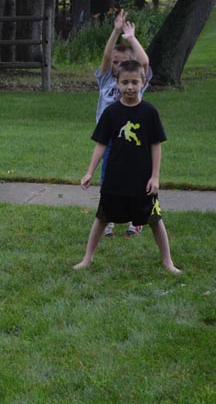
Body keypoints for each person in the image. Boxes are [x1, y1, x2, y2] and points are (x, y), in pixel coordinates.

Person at [74, 60, 180, 274]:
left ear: (143, 82)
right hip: (115, 178)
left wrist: (155, 177)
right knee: (102, 218)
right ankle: (87, 258)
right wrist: (89, 172)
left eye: (134, 82)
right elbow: (101, 144)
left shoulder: (149, 112)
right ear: (117, 83)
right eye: (125, 82)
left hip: (142, 180)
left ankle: (168, 261)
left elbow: (155, 145)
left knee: (155, 219)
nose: (130, 87)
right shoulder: (111, 113)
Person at [96, 9, 152, 238]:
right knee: (107, 179)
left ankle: (135, 220)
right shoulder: (106, 79)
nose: (116, 65)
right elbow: (107, 56)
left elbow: (144, 61)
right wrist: (116, 31)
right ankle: (107, 218)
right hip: (108, 139)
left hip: (132, 139)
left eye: (122, 63)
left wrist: (130, 38)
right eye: (115, 63)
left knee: (133, 178)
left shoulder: (134, 82)